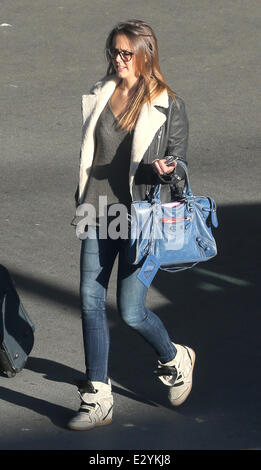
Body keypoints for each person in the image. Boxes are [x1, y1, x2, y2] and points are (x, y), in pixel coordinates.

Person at [68, 19, 195, 431]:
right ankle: (98, 397)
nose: (119, 60)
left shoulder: (167, 103)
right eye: (114, 52)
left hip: (141, 216)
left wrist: (168, 169)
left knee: (131, 311)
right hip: (97, 209)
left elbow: (180, 162)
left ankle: (175, 358)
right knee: (89, 300)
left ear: (146, 56)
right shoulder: (102, 92)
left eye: (127, 53)